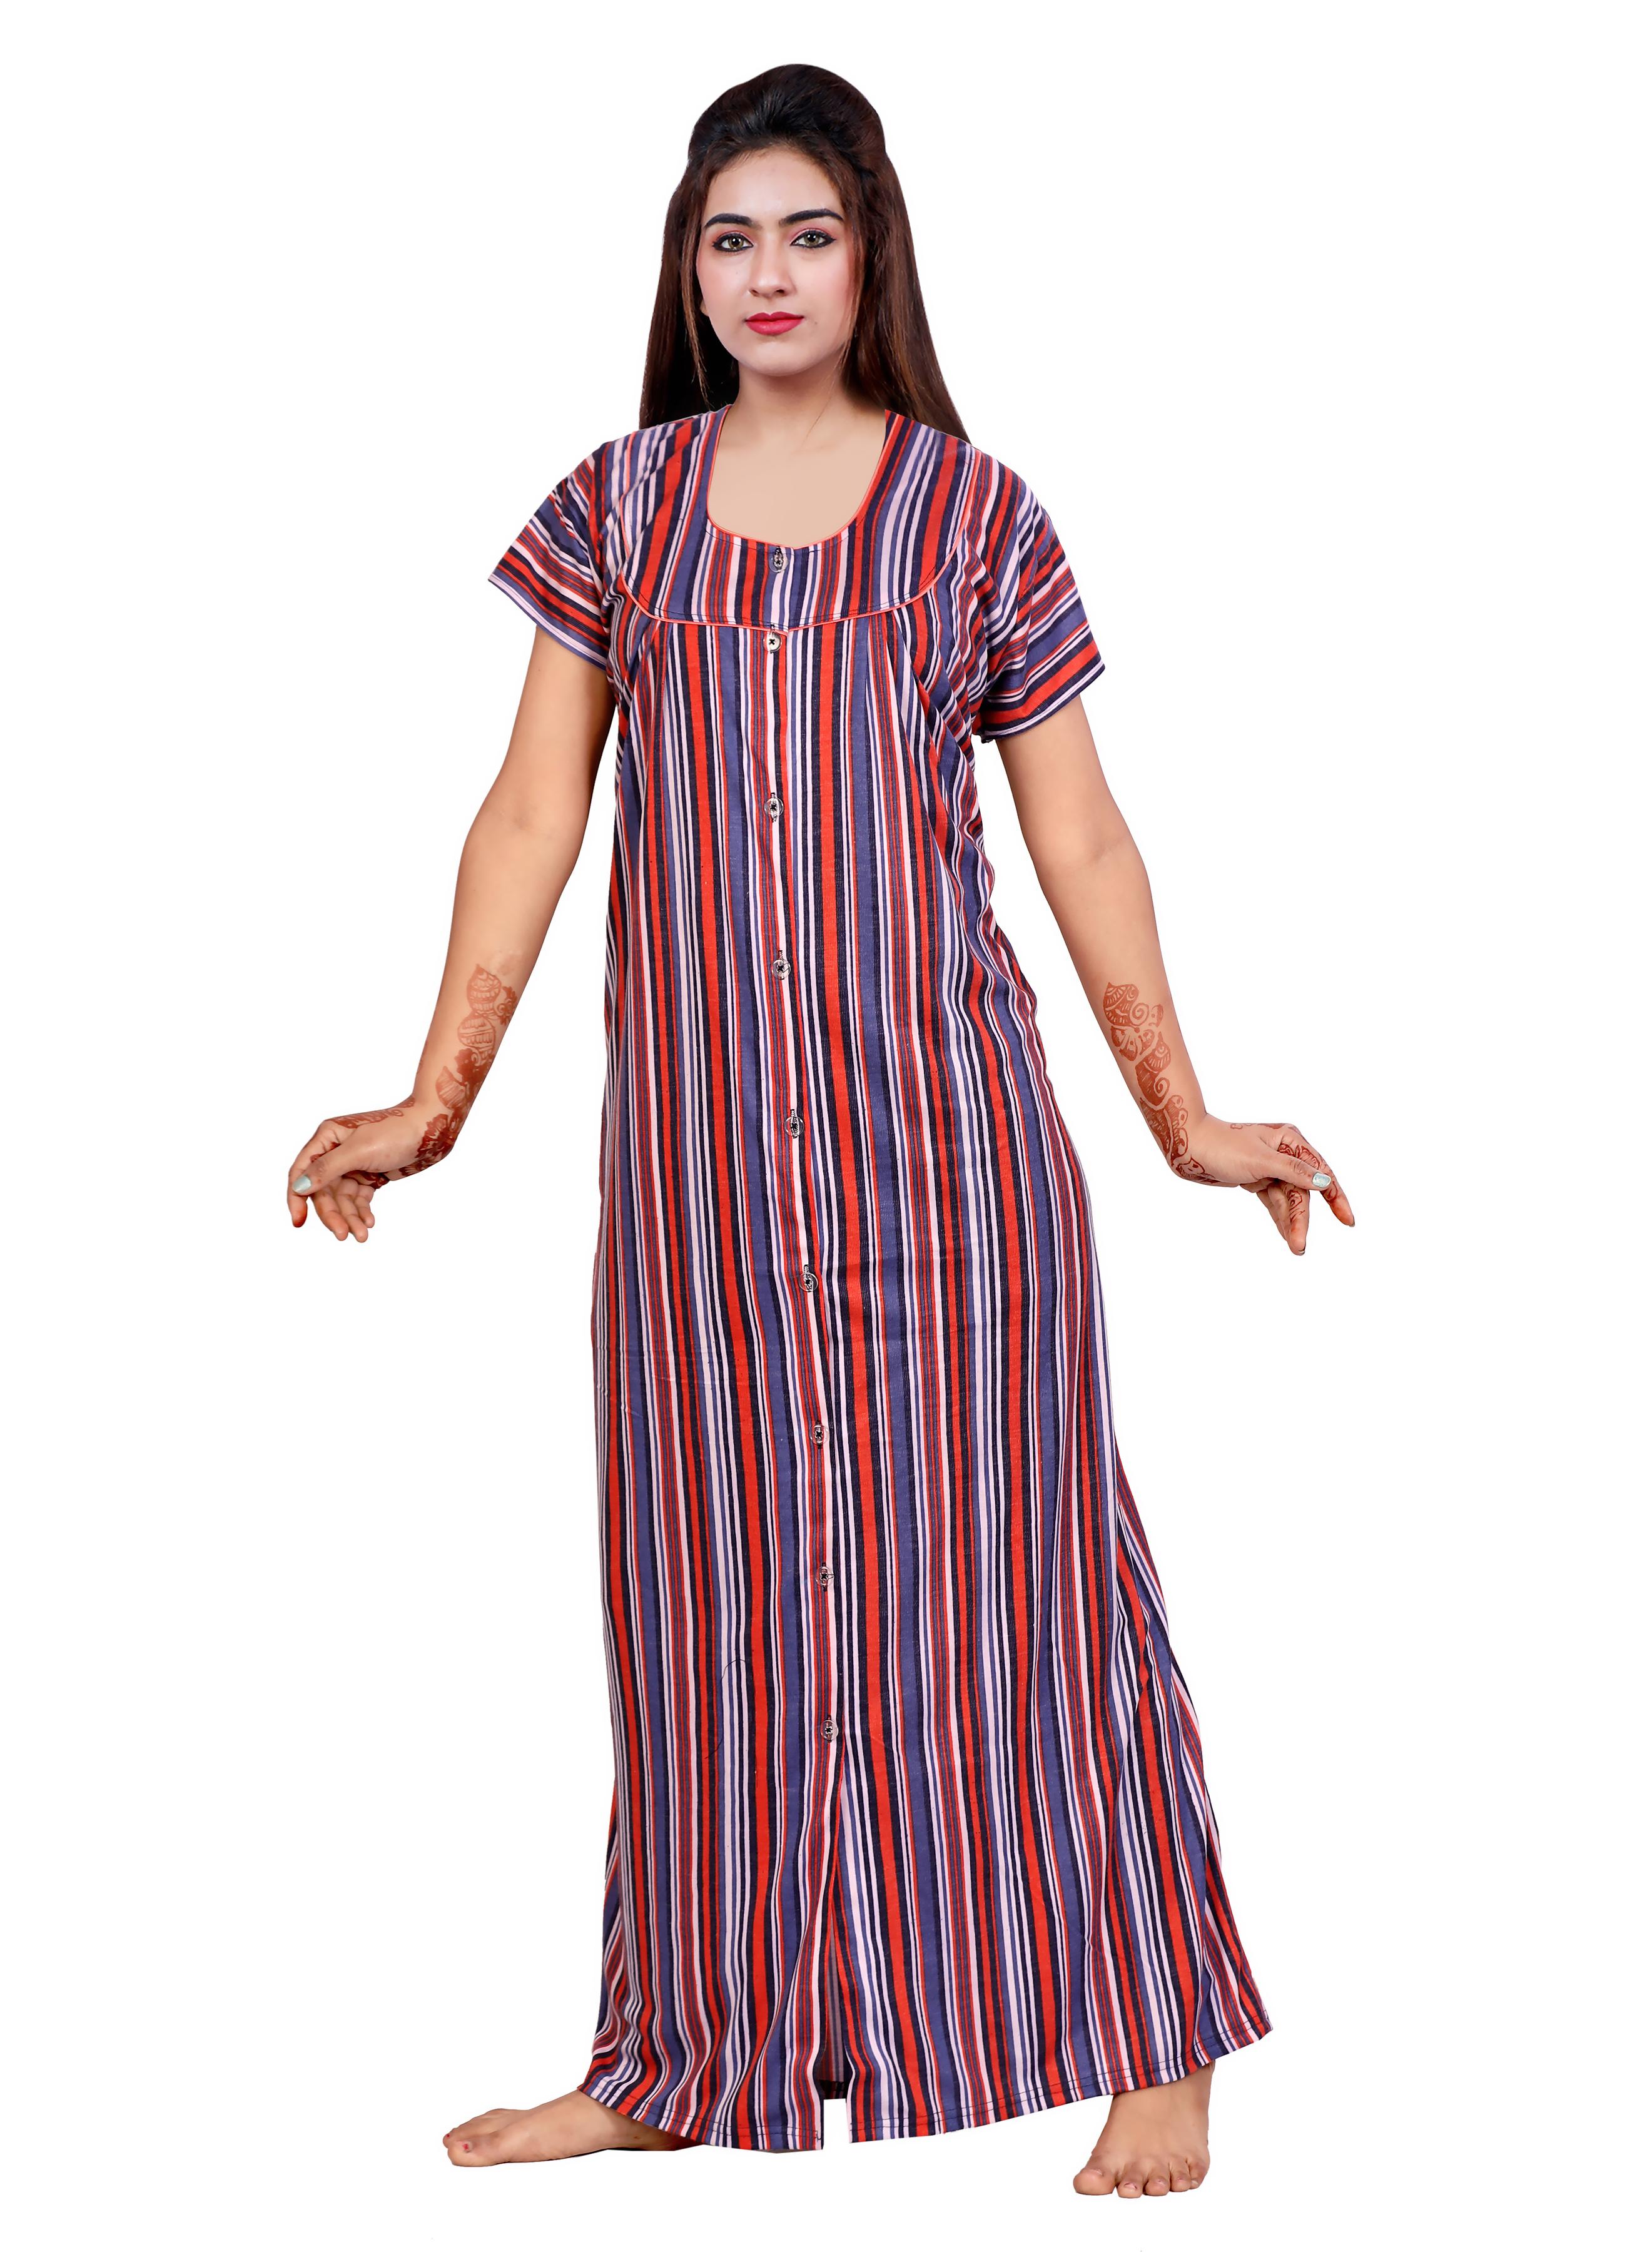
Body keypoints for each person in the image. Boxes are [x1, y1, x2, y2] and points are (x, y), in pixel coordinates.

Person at [285, 61, 1354, 2201]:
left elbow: (1080, 838)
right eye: (728, 238)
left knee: (1026, 1595)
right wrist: (435, 1096)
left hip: (954, 1169)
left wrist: (1182, 1117)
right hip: (693, 1194)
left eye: (806, 232)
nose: (766, 273)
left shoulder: (978, 517)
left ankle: (1155, 2033)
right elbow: (530, 814)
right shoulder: (616, 508)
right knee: (704, 1611)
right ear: (687, 272)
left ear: (872, 257)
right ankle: (687, 2046)